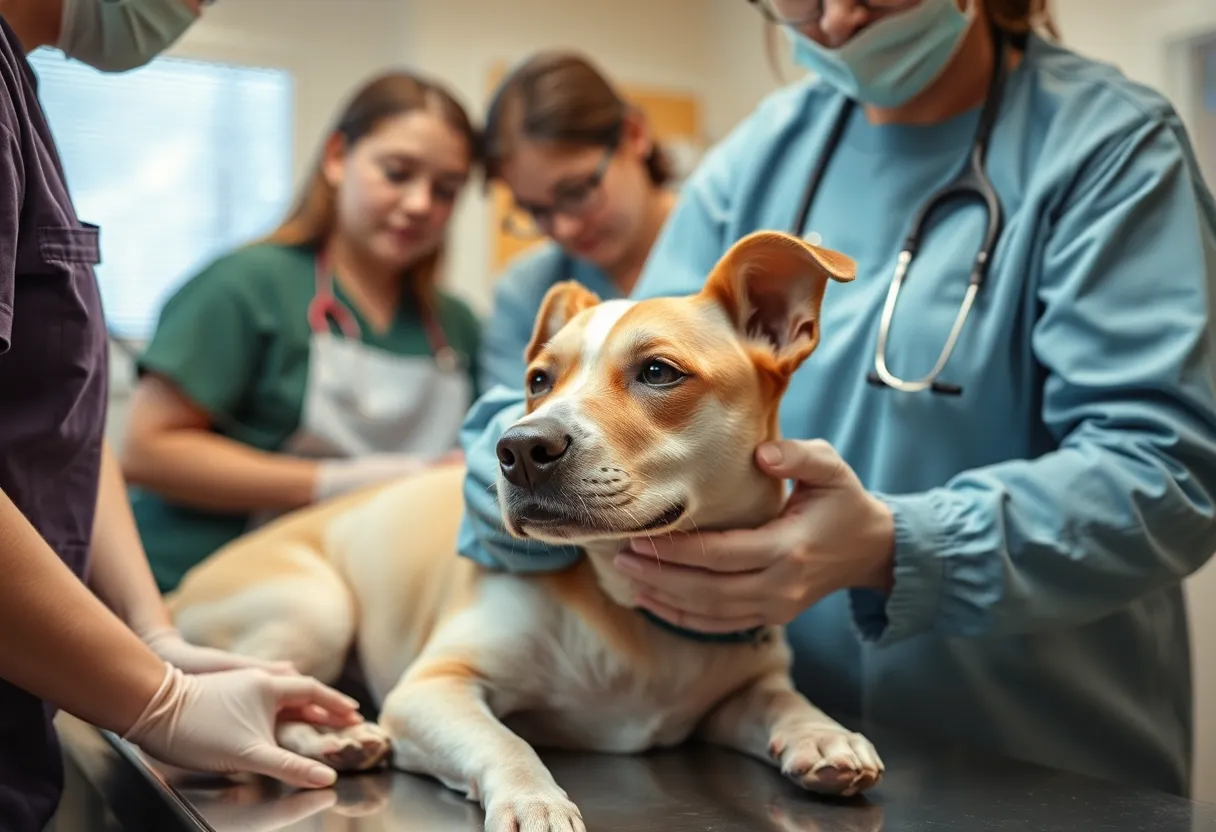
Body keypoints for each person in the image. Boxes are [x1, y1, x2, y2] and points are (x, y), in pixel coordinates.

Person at [456, 0, 1216, 799]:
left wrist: (894, 546)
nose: (840, 17)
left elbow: (1170, 474)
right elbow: (599, 394)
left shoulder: (1112, 148)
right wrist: (520, 477)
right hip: (780, 753)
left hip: (1035, 757)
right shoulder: (755, 162)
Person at [0, 1, 366, 829]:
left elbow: (61, 434)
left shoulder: (20, 90)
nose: (195, 7)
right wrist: (153, 698)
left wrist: (150, 634)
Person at [120, 69, 483, 593]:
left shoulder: (456, 328)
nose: (420, 204)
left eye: (446, 190)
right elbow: (145, 451)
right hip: (192, 590)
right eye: (397, 173)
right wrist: (333, 484)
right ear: (337, 158)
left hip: (350, 596)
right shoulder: (247, 286)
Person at [477, 50, 678, 392]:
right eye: (535, 210)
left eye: (576, 191)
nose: (563, 229)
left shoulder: (727, 244)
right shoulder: (528, 293)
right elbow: (504, 417)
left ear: (633, 135)